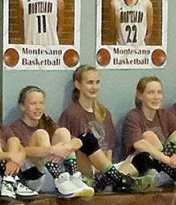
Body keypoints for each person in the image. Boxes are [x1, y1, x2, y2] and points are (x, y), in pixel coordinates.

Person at [57, 65, 137, 193]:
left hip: (104, 169)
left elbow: (109, 148)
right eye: (89, 83)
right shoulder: (71, 113)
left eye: (97, 82)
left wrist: (106, 167)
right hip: (84, 168)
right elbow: (69, 150)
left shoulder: (104, 112)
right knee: (86, 139)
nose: (94, 87)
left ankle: (108, 179)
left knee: (143, 158)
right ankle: (114, 179)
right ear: (78, 84)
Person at [5, 86, 93, 198]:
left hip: (55, 177)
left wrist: (66, 147)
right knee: (41, 134)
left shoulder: (49, 123)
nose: (38, 107)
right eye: (33, 103)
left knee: (63, 132)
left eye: (41, 103)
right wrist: (52, 150)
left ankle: (72, 176)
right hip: (33, 177)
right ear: (22, 106)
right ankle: (60, 179)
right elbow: (23, 151)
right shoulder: (15, 128)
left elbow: (78, 142)